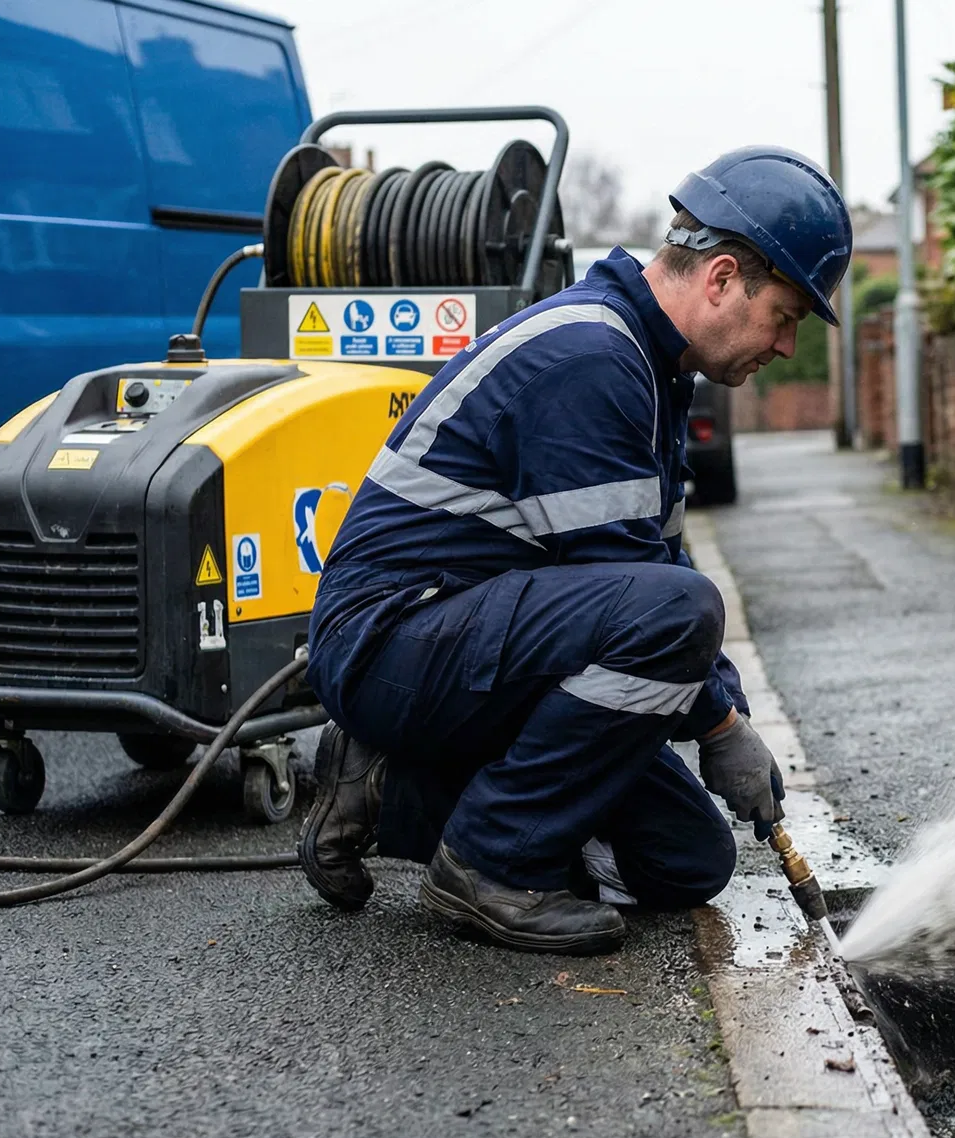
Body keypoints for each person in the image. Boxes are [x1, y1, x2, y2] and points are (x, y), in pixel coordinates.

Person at [295, 146, 852, 955]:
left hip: (476, 649)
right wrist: (720, 724)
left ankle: (387, 786)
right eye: (788, 317)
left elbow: (655, 571)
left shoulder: (653, 372)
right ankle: (488, 865)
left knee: (687, 859)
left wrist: (725, 715)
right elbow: (643, 598)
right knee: (676, 615)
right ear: (724, 277)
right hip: (392, 644)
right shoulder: (589, 357)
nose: (787, 347)